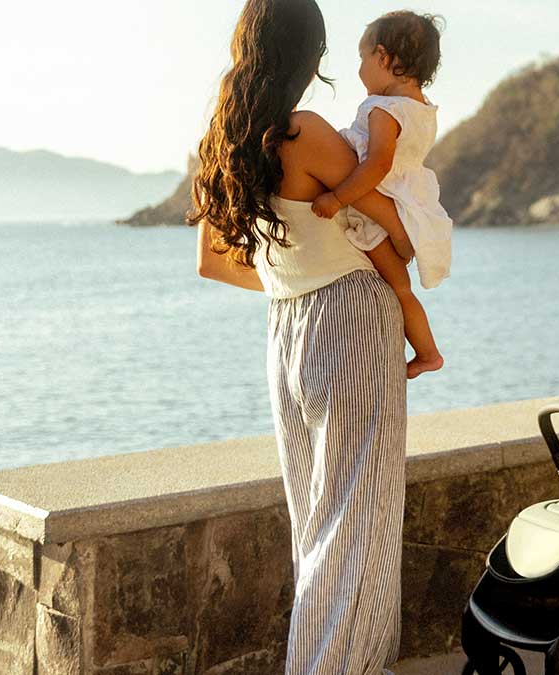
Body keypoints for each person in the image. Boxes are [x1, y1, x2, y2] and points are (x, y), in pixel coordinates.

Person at [190, 1, 409, 672]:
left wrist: (297, 279)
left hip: (287, 330)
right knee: (357, 524)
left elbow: (213, 262)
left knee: (317, 526)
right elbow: (392, 229)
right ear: (308, 56)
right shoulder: (307, 131)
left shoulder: (222, 141)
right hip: (350, 321)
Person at [311, 10, 451, 380]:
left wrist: (337, 197)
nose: (359, 69)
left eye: (362, 58)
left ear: (385, 58)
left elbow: (376, 166)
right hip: (411, 202)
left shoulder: (383, 110)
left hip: (379, 212)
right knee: (403, 290)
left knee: (401, 289)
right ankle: (428, 352)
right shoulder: (422, 109)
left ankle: (428, 353)